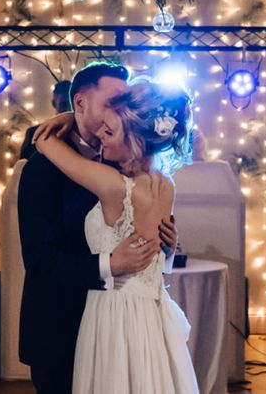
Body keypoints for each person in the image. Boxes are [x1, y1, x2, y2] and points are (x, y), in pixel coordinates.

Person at [17, 63, 178, 394]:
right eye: (113, 101)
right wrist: (110, 265)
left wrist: (165, 247)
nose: (122, 109)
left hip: (119, 330)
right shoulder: (43, 168)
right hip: (61, 330)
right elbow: (38, 260)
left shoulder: (121, 160)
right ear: (80, 103)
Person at [19, 79, 73, 160]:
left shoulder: (85, 134)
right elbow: (23, 165)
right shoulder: (33, 133)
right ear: (54, 104)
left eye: (71, 104)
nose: (68, 108)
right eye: (64, 104)